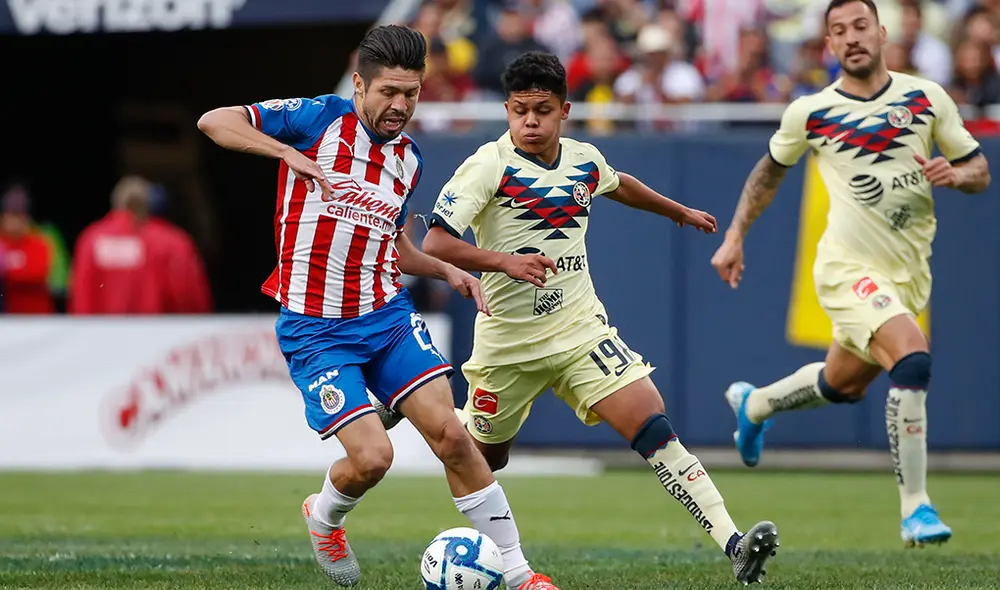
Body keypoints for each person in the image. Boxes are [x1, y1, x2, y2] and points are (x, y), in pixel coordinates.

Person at [196, 25, 560, 590]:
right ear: (360, 83)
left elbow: (392, 242)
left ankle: (518, 573)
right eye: (388, 92)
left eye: (411, 94)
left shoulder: (407, 160)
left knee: (453, 435)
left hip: (385, 317)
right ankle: (324, 517)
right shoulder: (315, 119)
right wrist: (285, 152)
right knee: (373, 459)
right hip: (315, 328)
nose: (400, 105)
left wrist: (446, 269)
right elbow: (215, 120)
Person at [422, 51, 780, 585]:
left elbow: (618, 182)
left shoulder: (583, 159)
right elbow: (436, 241)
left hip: (578, 328)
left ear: (565, 110)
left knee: (650, 418)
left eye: (542, 110)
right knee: (478, 461)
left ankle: (732, 542)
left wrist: (676, 210)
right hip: (508, 344)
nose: (531, 122)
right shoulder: (486, 166)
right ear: (507, 110)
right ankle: (409, 407)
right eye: (520, 111)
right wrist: (505, 262)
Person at [710, 0, 990, 548]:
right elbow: (767, 175)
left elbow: (979, 169)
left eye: (860, 26)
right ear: (829, 46)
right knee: (911, 359)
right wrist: (735, 234)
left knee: (842, 383)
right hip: (847, 269)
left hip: (908, 273)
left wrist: (956, 174)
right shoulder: (811, 112)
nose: (851, 37)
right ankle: (916, 508)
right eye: (838, 31)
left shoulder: (927, 98)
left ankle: (756, 404)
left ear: (881, 32)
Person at [69, 175, 212, 315]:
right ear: (149, 203)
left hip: (100, 334)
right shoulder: (172, 242)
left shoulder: (91, 240)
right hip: (161, 333)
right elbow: (189, 296)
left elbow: (81, 297)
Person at [0, 184, 54, 314]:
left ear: (27, 218)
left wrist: (6, 269)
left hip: (35, 317)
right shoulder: (2, 242)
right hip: (6, 316)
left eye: (19, 216)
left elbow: (36, 273)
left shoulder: (39, 243)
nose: (15, 221)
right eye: (11, 216)